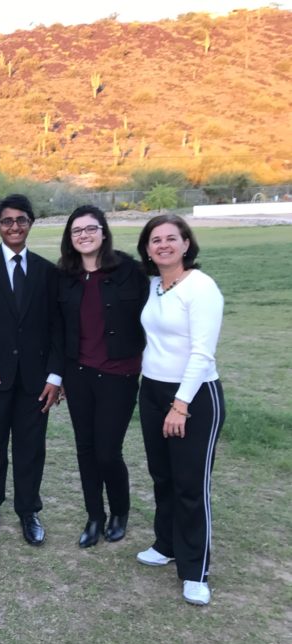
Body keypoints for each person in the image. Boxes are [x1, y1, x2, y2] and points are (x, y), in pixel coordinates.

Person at [135, 214, 225, 606]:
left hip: (193, 396)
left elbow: (202, 352)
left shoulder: (201, 287)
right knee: (162, 476)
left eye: (172, 238)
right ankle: (166, 543)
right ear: (148, 249)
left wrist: (181, 405)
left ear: (187, 244)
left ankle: (195, 570)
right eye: (156, 240)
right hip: (152, 390)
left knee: (190, 484)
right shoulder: (154, 285)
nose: (164, 245)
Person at [0, 193, 62, 546]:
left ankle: (28, 510)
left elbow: (58, 328)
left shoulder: (47, 271)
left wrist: (55, 376)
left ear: (31, 223)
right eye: (7, 221)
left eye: (21, 220)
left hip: (37, 378)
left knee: (31, 445)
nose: (14, 227)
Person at [56, 206, 148, 548]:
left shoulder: (130, 271)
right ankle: (94, 516)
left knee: (108, 451)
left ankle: (119, 512)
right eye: (76, 231)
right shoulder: (63, 275)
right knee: (85, 448)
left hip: (119, 374)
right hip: (78, 373)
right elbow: (52, 324)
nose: (83, 235)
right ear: (70, 238)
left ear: (103, 232)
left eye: (89, 229)